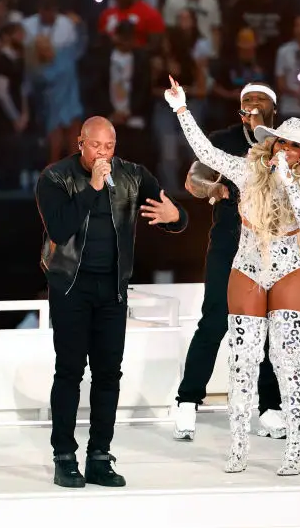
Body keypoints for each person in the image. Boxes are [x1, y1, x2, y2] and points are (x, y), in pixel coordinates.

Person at [164, 76, 300, 476]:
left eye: (292, 146)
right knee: (243, 359)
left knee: (287, 359)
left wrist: (287, 181)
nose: (284, 150)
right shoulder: (248, 170)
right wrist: (181, 108)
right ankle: (236, 444)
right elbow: (204, 153)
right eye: (280, 143)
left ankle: (295, 446)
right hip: (246, 263)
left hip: (288, 267)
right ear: (271, 144)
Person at [36, 116, 189, 489]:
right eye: (95, 146)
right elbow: (59, 229)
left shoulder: (133, 176)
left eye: (108, 147)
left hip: (112, 291)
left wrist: (176, 218)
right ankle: (64, 457)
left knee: (108, 373)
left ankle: (100, 456)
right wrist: (92, 186)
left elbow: (170, 211)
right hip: (71, 288)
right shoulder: (55, 178)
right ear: (80, 143)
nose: (102, 154)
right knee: (69, 372)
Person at [172, 83, 285, 442]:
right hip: (228, 241)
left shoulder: (285, 142)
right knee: (215, 318)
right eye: (246, 100)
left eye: (259, 99)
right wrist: (213, 188)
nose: (252, 104)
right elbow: (194, 178)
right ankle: (188, 401)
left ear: (273, 107)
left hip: (270, 246)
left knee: (269, 324)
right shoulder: (225, 140)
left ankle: (270, 408)